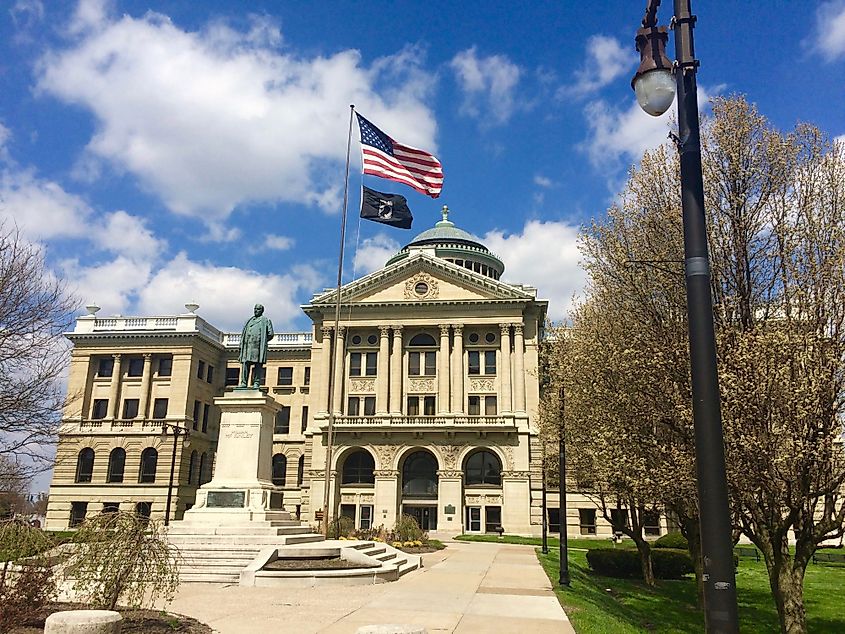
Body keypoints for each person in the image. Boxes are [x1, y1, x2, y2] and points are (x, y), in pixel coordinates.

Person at [238, 304, 274, 388]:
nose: (255, 311)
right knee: (245, 364)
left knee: (258, 364)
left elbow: (270, 334)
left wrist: (262, 341)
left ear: (262, 311)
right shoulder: (249, 321)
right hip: (247, 347)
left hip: (258, 346)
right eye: (255, 309)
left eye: (258, 309)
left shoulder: (265, 320)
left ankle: (256, 382)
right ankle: (244, 382)